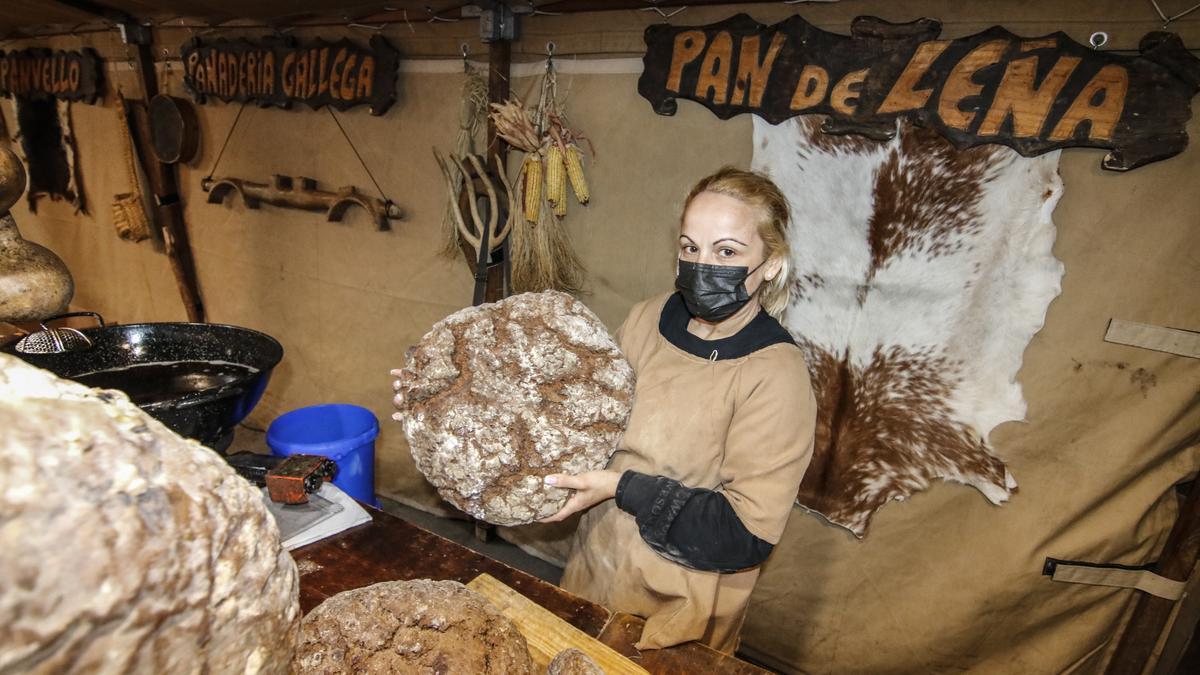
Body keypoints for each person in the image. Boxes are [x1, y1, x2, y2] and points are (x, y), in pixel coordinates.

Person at [541, 166, 817, 655]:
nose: (701, 265)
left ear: (771, 263)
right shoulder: (649, 317)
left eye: (726, 251)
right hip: (594, 568)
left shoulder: (775, 374)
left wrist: (623, 488)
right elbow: (588, 419)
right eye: (690, 247)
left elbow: (743, 533)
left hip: (677, 607)